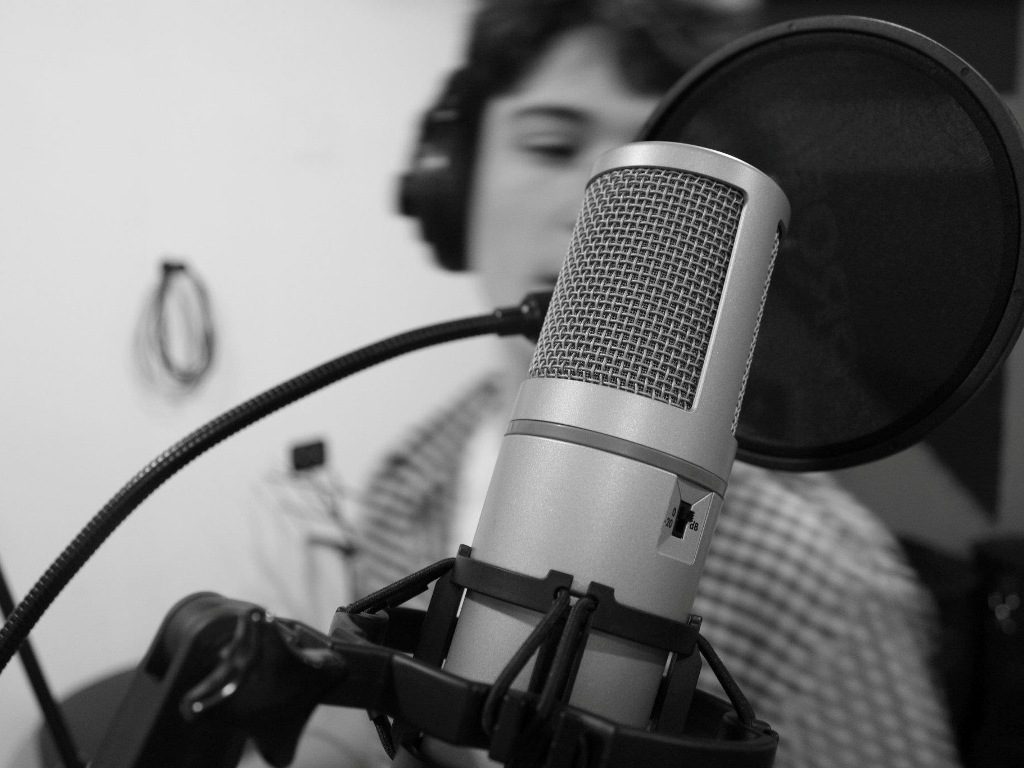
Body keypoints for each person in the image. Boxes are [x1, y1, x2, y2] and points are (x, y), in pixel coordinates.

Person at [281, 1, 965, 767]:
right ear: (454, 185)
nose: (602, 211)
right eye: (551, 145)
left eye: (663, 174)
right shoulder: (408, 477)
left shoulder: (823, 583)